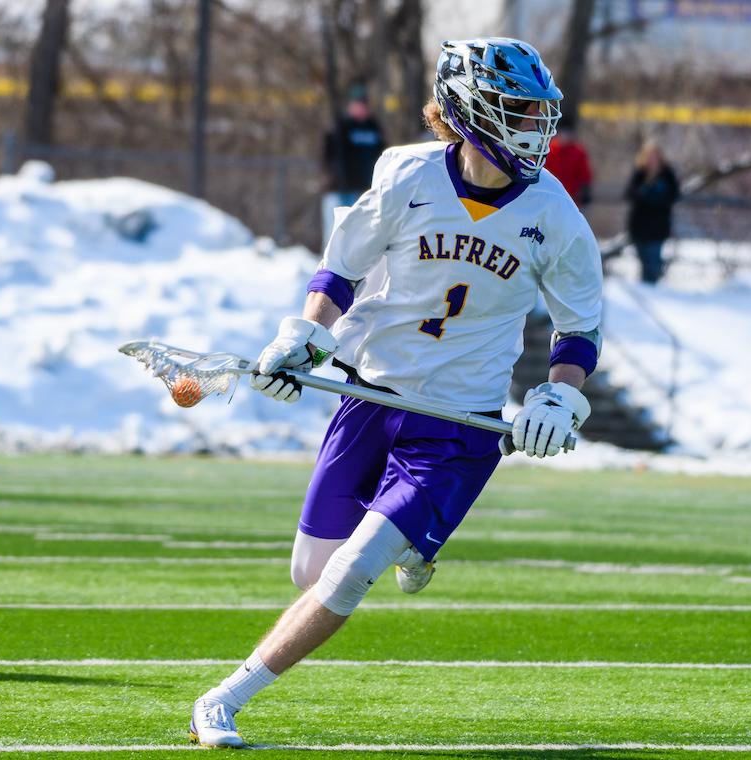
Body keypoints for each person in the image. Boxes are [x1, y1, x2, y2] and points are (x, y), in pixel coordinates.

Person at [188, 37, 603, 748]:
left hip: (459, 426)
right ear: (469, 109)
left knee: (349, 574)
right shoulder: (406, 173)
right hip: (371, 397)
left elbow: (580, 328)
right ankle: (416, 546)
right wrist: (306, 336)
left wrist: (560, 397)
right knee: (311, 572)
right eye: (518, 111)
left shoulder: (556, 214)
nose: (535, 128)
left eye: (540, 113)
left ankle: (223, 699)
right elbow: (340, 271)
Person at [321, 83, 387, 247]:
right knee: (335, 239)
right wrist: (336, 179)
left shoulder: (373, 127)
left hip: (365, 191)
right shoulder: (341, 127)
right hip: (339, 191)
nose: (362, 108)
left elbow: (382, 154)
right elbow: (329, 157)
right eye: (358, 104)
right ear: (351, 105)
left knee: (360, 240)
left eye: (364, 104)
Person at [624, 140, 680, 285]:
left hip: (658, 226)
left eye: (654, 156)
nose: (652, 160)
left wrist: (656, 195)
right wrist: (644, 191)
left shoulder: (667, 174)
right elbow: (629, 194)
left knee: (653, 263)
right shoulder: (640, 173)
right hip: (639, 225)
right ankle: (646, 287)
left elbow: (674, 195)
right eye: (649, 156)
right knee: (644, 262)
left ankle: (651, 287)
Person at [543, 116, 593, 208]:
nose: (565, 135)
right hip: (550, 198)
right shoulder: (549, 150)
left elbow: (584, 176)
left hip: (572, 200)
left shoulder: (578, 152)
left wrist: (586, 192)